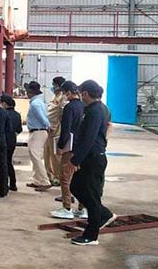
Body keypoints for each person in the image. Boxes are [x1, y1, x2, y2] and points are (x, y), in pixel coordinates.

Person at [68, 80, 115, 246]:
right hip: (89, 157)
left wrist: (76, 160)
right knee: (75, 187)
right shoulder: (91, 109)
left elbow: (89, 138)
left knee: (92, 196)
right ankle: (104, 214)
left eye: (81, 94)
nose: (80, 97)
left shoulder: (95, 111)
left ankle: (91, 235)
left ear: (85, 93)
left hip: (94, 158)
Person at [51, 81, 86, 219]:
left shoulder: (69, 108)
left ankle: (67, 208)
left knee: (64, 177)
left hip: (70, 147)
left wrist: (60, 146)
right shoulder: (84, 106)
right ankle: (82, 208)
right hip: (82, 148)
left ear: (69, 93)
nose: (64, 96)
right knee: (80, 178)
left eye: (64, 93)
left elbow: (66, 130)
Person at [25, 81, 53, 191]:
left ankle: (44, 181)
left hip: (38, 131)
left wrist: (48, 125)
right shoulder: (39, 102)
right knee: (34, 155)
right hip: (38, 131)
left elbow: (41, 117)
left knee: (35, 155)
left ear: (30, 92)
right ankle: (37, 180)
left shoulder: (35, 104)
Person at [44, 76, 67, 188]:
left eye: (54, 85)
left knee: (55, 155)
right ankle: (49, 175)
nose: (52, 87)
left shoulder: (63, 98)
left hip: (56, 129)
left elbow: (62, 114)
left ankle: (58, 176)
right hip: (48, 128)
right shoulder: (55, 96)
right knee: (47, 153)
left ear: (58, 86)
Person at [1, 94, 22, 192]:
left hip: (4, 139)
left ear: (5, 104)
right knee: (9, 161)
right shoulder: (17, 114)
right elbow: (19, 129)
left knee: (3, 163)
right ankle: (13, 183)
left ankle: (4, 185)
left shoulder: (4, 113)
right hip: (12, 140)